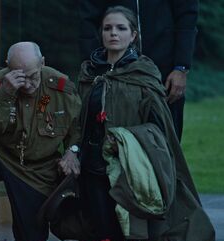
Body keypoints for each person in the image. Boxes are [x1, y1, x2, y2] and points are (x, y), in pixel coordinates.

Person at [77, 6, 214, 241]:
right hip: (95, 163)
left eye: (120, 28)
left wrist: (181, 66)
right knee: (99, 235)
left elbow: (186, 14)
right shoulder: (89, 74)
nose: (113, 33)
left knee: (133, 235)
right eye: (108, 29)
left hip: (136, 158)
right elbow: (78, 122)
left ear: (133, 35)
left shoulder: (145, 74)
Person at [0, 41, 82, 241]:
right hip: (4, 154)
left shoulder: (60, 87)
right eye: (21, 77)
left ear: (43, 63)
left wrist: (72, 152)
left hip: (39, 169)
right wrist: (5, 94)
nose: (28, 84)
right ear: (8, 66)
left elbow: (77, 128)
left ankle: (28, 233)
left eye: (33, 76)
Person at [79, 0, 199, 142]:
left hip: (164, 72)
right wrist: (96, 63)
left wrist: (181, 67)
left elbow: (187, 15)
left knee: (166, 140)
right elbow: (87, 19)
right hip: (113, 70)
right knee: (108, 140)